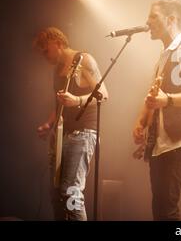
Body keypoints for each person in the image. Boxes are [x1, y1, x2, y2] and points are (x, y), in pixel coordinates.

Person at [133, 0, 181, 221]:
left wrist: (167, 100)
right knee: (160, 209)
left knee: (167, 208)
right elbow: (152, 97)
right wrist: (141, 123)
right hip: (161, 142)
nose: (147, 22)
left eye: (153, 17)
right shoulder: (163, 58)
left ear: (171, 20)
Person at [33, 27, 108, 221]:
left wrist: (77, 100)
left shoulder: (83, 60)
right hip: (62, 136)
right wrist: (49, 125)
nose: (44, 55)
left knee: (71, 193)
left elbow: (103, 94)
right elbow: (60, 105)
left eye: (45, 50)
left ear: (57, 43)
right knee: (56, 195)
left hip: (83, 134)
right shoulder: (57, 70)